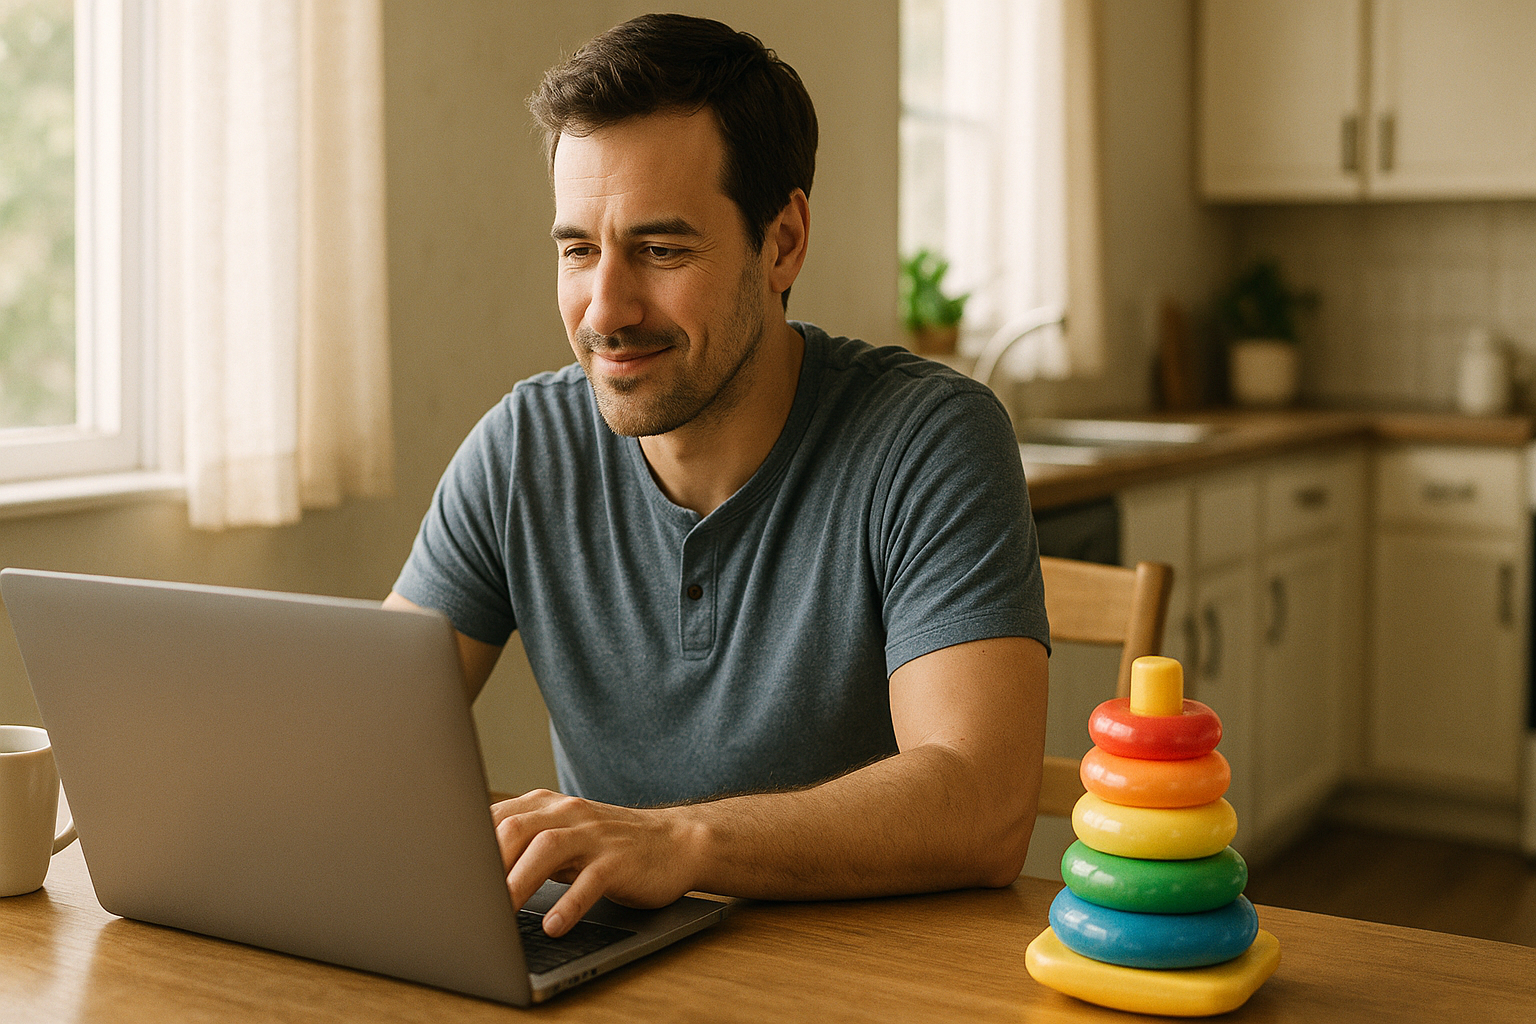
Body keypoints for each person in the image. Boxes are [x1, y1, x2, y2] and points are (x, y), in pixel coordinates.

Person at [385, 13, 1050, 938]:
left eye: (661, 251)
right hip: (607, 976)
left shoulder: (928, 440)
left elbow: (984, 804)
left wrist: (683, 842)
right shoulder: (521, 448)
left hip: (870, 983)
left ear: (781, 243)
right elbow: (368, 739)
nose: (604, 310)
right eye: (578, 249)